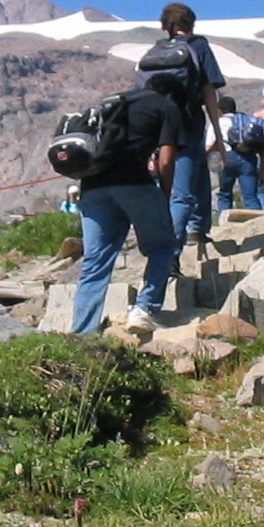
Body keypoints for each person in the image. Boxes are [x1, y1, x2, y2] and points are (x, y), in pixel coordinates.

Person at [70, 73, 186, 336]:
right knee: (163, 247)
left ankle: (82, 331)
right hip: (134, 184)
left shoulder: (112, 102)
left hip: (92, 187)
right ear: (171, 94)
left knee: (95, 261)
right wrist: (164, 194)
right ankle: (144, 309)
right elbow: (166, 159)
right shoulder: (166, 105)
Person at [136, 2, 226, 252]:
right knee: (183, 192)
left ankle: (196, 228)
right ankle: (172, 252)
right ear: (191, 23)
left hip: (157, 127)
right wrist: (218, 134)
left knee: (192, 173)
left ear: (165, 26)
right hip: (188, 123)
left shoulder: (155, 51)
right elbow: (208, 91)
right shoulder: (198, 46)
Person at [215, 95, 264, 212]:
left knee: (225, 194)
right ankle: (258, 221)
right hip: (248, 158)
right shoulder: (243, 120)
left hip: (227, 157)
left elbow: (208, 146)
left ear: (219, 110)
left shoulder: (218, 122)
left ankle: (224, 221)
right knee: (251, 197)